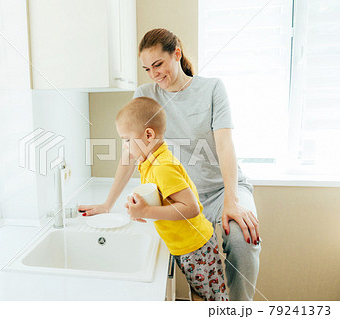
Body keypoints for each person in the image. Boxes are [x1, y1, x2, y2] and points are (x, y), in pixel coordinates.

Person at [79, 28, 261, 301]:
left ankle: (239, 307)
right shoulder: (146, 93)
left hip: (223, 189)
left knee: (242, 240)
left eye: (158, 64)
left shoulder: (212, 88)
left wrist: (231, 200)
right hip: (180, 194)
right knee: (196, 268)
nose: (154, 74)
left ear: (176, 54)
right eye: (147, 69)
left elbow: (225, 146)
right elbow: (130, 151)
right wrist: (107, 203)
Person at [119, 97, 228, 301]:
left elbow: (190, 208)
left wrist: (145, 212)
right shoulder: (151, 163)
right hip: (187, 246)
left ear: (148, 135)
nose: (124, 147)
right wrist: (139, 207)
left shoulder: (162, 167)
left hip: (196, 248)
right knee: (200, 295)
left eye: (126, 140)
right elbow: (162, 199)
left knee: (212, 301)